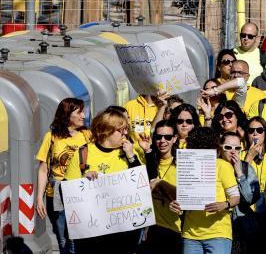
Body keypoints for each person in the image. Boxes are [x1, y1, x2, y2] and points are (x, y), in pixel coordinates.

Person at [63, 108, 143, 253]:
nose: (125, 133)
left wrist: (131, 156)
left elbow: (140, 185)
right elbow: (66, 191)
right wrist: (83, 180)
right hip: (92, 234)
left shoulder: (128, 152)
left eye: (126, 129)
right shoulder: (83, 153)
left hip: (123, 233)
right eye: (121, 130)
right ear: (106, 131)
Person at [34, 97, 89, 254]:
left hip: (80, 191)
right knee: (62, 237)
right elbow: (44, 169)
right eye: (79, 112)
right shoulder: (51, 137)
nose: (83, 116)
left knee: (77, 236)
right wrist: (39, 198)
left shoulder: (86, 135)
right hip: (57, 192)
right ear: (67, 114)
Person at [177, 127, 242, 254]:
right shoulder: (186, 165)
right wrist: (176, 204)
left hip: (218, 234)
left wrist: (224, 204)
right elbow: (182, 197)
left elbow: (235, 197)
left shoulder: (223, 166)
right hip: (190, 234)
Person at [146, 120, 183, 253]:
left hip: (176, 230)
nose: (162, 141)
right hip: (154, 229)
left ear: (175, 138)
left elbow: (187, 196)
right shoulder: (149, 161)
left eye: (167, 137)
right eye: (158, 137)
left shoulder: (182, 163)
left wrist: (161, 184)